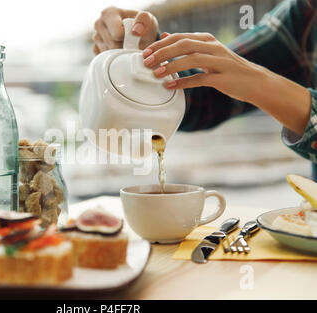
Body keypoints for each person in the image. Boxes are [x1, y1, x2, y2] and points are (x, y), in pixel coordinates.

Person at [93, 1, 317, 180]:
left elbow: (246, 78)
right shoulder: (306, 13)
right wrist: (149, 61)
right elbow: (206, 93)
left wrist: (261, 84)